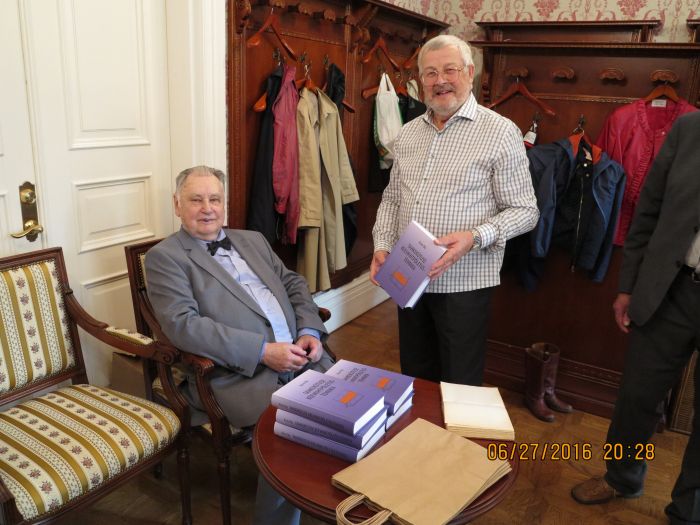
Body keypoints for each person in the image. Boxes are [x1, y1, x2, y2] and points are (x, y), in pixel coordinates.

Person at [145, 165, 334, 525]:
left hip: (302, 356)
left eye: (215, 199)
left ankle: (333, 505)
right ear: (177, 205)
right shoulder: (165, 258)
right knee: (296, 434)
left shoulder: (253, 240)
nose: (207, 209)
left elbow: (293, 283)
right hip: (238, 375)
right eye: (196, 200)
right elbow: (183, 326)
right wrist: (262, 352)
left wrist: (310, 329)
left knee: (354, 414)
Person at [370, 34, 539, 386]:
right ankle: (421, 424)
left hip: (464, 282)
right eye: (430, 73)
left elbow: (526, 210)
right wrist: (381, 245)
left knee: (459, 383)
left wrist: (474, 237)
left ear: (470, 73)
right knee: (415, 376)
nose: (440, 81)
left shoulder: (500, 132)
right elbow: (393, 198)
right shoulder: (408, 133)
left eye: (450, 70)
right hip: (408, 275)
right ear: (420, 80)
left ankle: (453, 427)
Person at [571, 111, 700, 525]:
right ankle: (621, 477)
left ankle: (688, 512)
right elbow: (649, 209)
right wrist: (628, 287)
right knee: (637, 396)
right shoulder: (689, 129)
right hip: (671, 289)